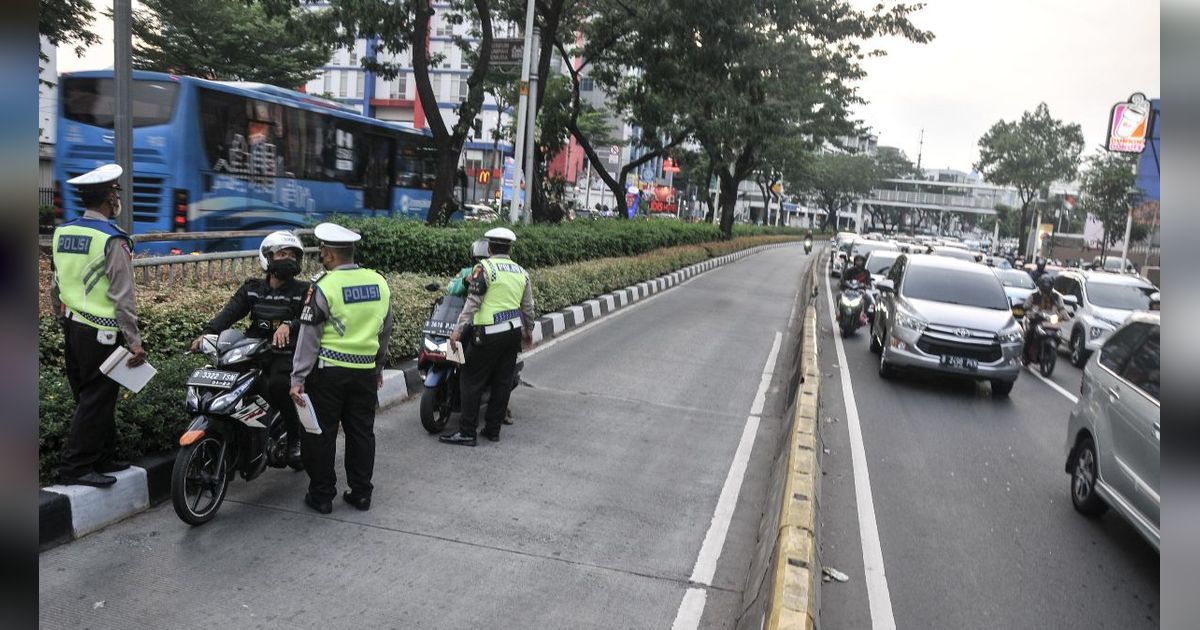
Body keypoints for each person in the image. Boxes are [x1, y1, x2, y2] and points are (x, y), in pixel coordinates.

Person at [48, 164, 146, 486]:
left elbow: (56, 283)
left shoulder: (63, 232)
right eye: (116, 192)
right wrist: (134, 342)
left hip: (73, 327)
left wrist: (61, 316)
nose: (118, 197)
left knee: (92, 397)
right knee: (97, 398)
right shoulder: (113, 240)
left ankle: (102, 457)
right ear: (109, 198)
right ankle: (76, 468)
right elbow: (122, 296)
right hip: (102, 333)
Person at [289, 223, 394, 514]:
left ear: (330, 255)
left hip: (329, 373)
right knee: (362, 432)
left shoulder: (324, 286)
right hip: (364, 372)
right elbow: (386, 329)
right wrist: (378, 366)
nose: (321, 254)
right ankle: (361, 493)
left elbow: (309, 337)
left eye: (323, 250)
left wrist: (297, 378)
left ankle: (322, 496)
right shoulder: (379, 282)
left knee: (320, 434)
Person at [191, 231, 310, 470]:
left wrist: (290, 325)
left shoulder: (303, 290)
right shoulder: (252, 289)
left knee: (278, 385)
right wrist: (207, 332)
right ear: (267, 257)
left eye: (292, 255)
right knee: (227, 380)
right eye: (282, 254)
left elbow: (309, 318)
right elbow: (230, 312)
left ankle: (295, 440)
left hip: (285, 354)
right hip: (252, 350)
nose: (288, 259)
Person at [439, 227, 535, 446]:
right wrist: (528, 330)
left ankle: (467, 432)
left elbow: (473, 301)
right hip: (512, 334)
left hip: (488, 334)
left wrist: (457, 329)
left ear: (490, 247)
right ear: (510, 248)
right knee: (502, 381)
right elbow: (528, 307)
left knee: (470, 380)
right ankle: (492, 429)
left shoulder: (484, 268)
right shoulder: (521, 271)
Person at [1022, 275, 1068, 364]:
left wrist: (1066, 316)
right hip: (1036, 320)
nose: (1046, 288)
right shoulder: (1033, 296)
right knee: (1030, 333)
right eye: (1044, 285)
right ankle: (1025, 354)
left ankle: (1047, 352)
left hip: (1050, 322)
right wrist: (1030, 312)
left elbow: (1062, 308)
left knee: (1058, 335)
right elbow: (1026, 306)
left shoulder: (1057, 297)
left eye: (1048, 285)